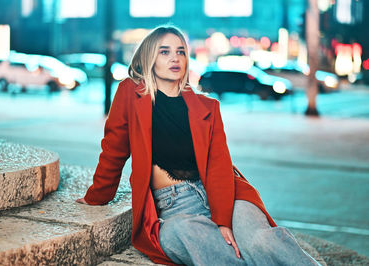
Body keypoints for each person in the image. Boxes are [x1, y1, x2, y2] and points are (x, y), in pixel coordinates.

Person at [76, 25, 321, 266]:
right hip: (174, 209)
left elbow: (220, 167)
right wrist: (97, 197)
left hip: (229, 197)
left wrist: (223, 219)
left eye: (181, 51)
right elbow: (114, 151)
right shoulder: (130, 93)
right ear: (148, 58)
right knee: (194, 238)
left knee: (260, 243)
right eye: (165, 51)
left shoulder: (207, 107)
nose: (175, 58)